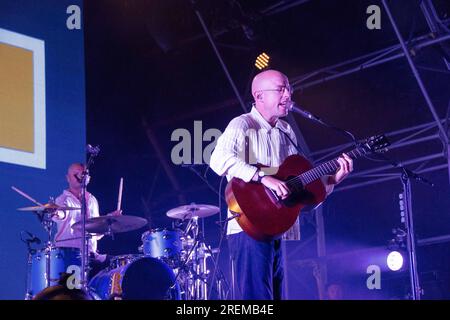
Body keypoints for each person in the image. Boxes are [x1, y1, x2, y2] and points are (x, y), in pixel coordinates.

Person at [209, 69, 353, 300]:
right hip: (248, 227)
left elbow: (295, 183)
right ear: (259, 96)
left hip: (275, 226)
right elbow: (218, 160)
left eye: (289, 88)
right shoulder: (242, 124)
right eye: (280, 89)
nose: (288, 94)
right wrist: (262, 177)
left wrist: (332, 180)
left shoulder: (286, 131)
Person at [53, 163, 121, 280]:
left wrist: (107, 221)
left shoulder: (92, 200)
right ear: (68, 178)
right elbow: (61, 214)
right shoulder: (62, 200)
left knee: (117, 265)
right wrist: (56, 213)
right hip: (69, 256)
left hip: (91, 255)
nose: (81, 177)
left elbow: (96, 232)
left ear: (89, 178)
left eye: (84, 174)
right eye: (76, 174)